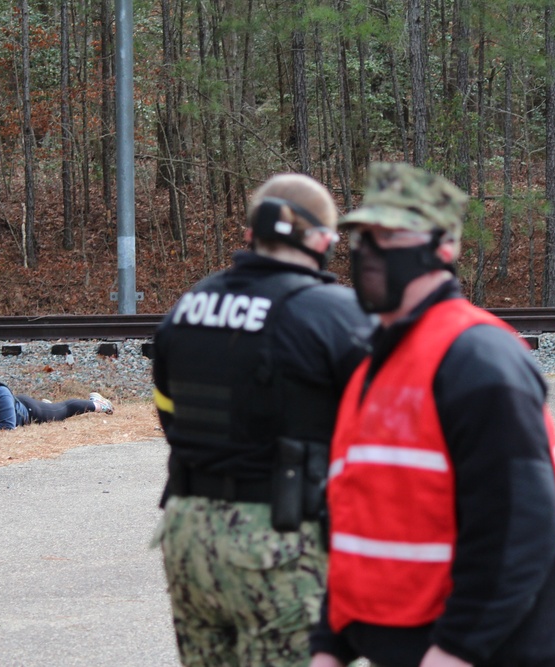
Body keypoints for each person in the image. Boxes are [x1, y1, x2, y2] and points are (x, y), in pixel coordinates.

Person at [310, 162, 555, 667]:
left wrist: (455, 650)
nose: (369, 251)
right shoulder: (376, 362)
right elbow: (360, 518)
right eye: (363, 235)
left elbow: (519, 526)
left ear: (444, 247)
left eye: (391, 234)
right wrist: (330, 643)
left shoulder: (478, 357)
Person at [151, 173, 374, 666]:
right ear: (320, 239)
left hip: (187, 531)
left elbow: (169, 414)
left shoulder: (188, 307)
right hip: (277, 538)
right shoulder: (337, 315)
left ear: (253, 233)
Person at [0, 372, 114, 432]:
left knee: (61, 410)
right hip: (11, 408)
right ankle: (45, 403)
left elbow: (9, 427)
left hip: (28, 411)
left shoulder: (0, 395)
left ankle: (99, 404)